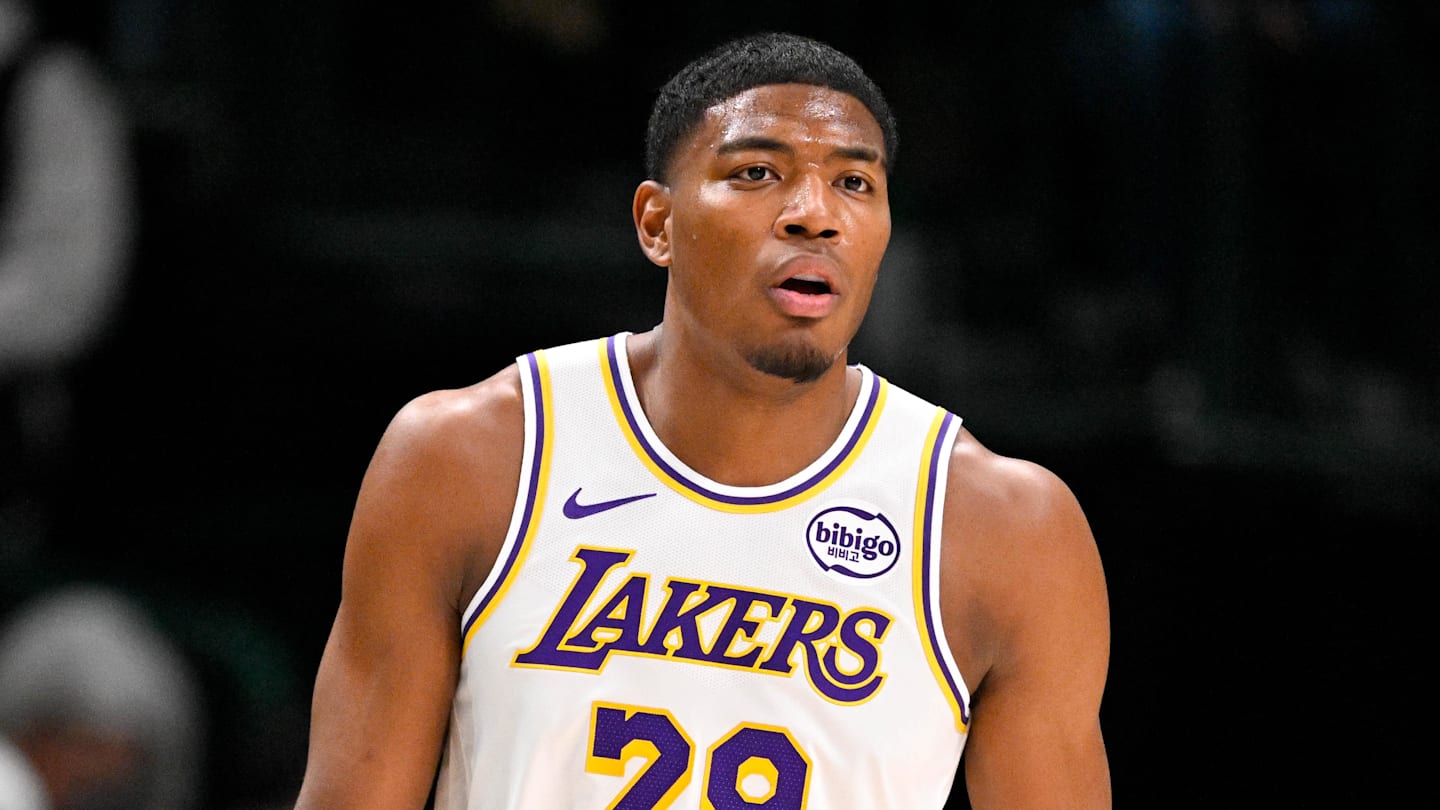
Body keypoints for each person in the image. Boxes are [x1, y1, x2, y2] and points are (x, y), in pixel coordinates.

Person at [294, 31, 1110, 809]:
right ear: (657, 224)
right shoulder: (468, 458)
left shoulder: (1005, 530)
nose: (814, 214)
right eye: (758, 172)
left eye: (855, 183)